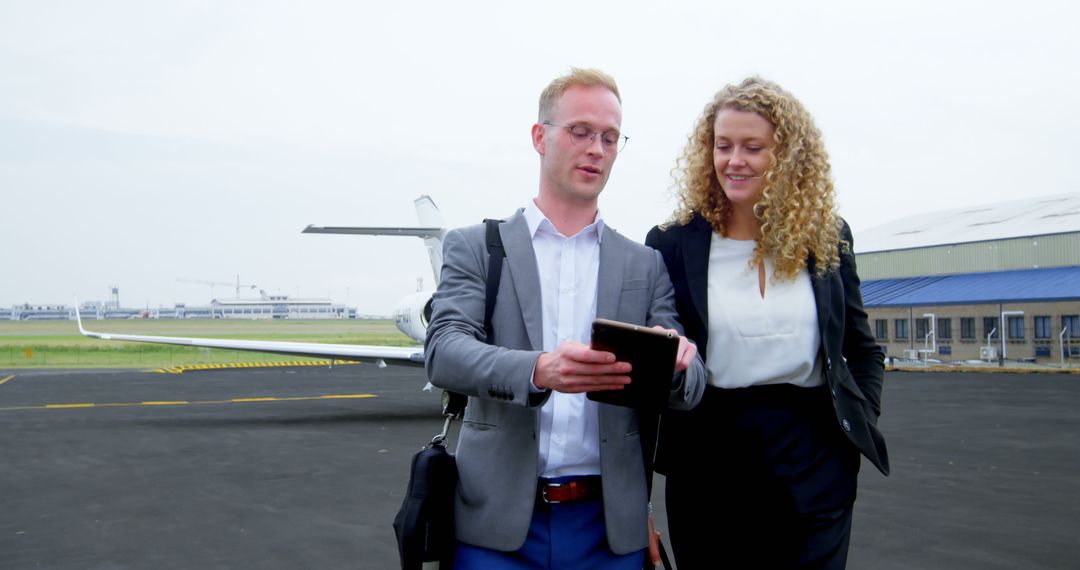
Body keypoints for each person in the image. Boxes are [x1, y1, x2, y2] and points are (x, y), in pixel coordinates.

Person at [425, 68, 706, 569]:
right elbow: (444, 350)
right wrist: (538, 370)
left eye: (610, 137)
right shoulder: (475, 248)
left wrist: (682, 362)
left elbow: (688, 387)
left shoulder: (645, 264)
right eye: (580, 132)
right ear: (540, 137)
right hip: (495, 527)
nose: (596, 148)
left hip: (607, 529)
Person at [645, 77, 890, 569]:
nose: (734, 160)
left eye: (752, 147)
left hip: (816, 462)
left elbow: (863, 350)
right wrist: (637, 501)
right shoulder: (671, 244)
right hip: (709, 466)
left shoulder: (827, 237)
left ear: (787, 156)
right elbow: (649, 383)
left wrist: (858, 425)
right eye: (723, 145)